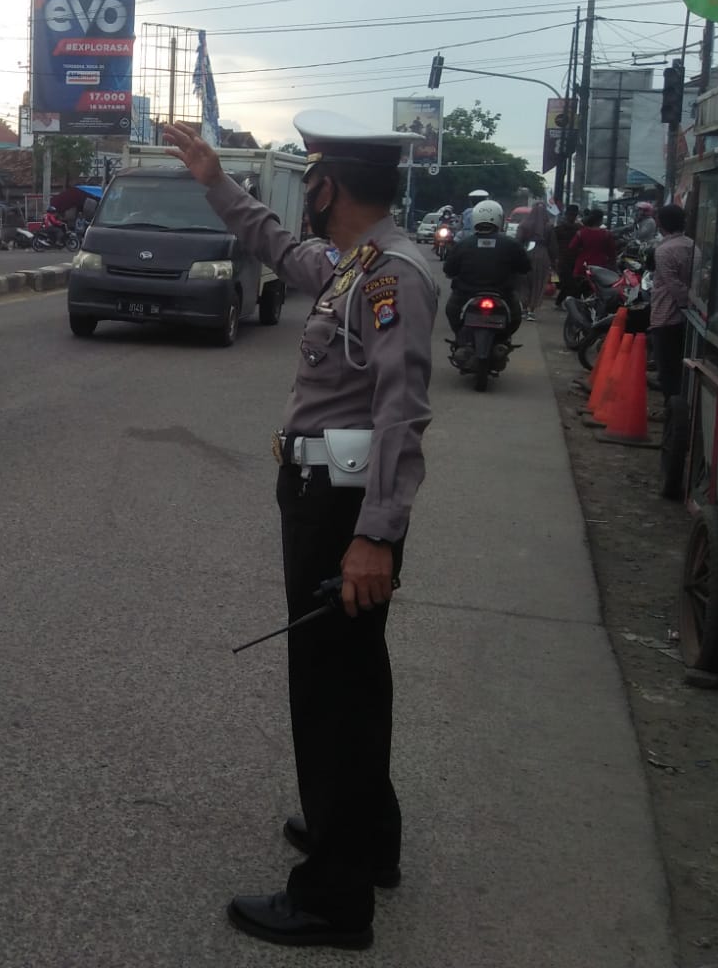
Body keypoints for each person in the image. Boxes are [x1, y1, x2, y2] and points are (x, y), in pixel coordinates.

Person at [163, 111, 438, 952]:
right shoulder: (357, 265)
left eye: (312, 177)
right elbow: (280, 247)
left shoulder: (390, 278)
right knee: (355, 678)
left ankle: (333, 899)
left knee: (330, 693)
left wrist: (375, 537)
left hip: (344, 508)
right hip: (330, 496)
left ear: (330, 186)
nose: (305, 191)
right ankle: (365, 836)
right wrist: (217, 181)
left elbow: (401, 414)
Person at [443, 200, 530, 343]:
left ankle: (460, 339)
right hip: (504, 295)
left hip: (466, 294)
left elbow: (448, 270)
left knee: (452, 311)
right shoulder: (512, 244)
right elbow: (525, 267)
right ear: (499, 219)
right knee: (515, 315)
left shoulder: (463, 244)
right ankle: (504, 341)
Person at [648, 204, 693, 405]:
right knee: (678, 367)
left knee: (667, 369)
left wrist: (685, 302)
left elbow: (673, 284)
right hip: (688, 317)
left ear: (661, 223)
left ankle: (670, 411)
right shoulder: (692, 246)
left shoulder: (664, 250)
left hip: (666, 315)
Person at [516, 191, 555, 319]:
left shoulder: (524, 224)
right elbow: (552, 246)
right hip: (543, 255)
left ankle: (523, 308)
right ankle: (531, 311)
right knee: (538, 283)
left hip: (526, 253)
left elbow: (518, 242)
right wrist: (554, 261)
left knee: (524, 282)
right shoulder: (549, 226)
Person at [570, 209, 616, 283]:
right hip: (600, 269)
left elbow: (572, 247)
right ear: (600, 220)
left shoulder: (581, 233)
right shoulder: (606, 234)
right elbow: (612, 254)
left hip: (582, 267)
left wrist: (581, 251)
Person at [553, 204, 583, 302]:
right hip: (566, 258)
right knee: (566, 281)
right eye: (571, 214)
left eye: (574, 215)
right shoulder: (578, 228)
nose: (572, 217)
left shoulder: (577, 228)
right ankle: (562, 300)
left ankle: (562, 300)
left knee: (567, 281)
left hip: (569, 258)